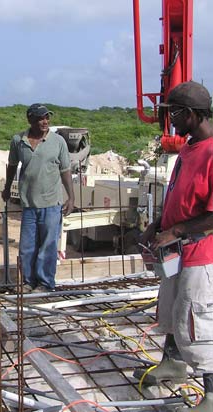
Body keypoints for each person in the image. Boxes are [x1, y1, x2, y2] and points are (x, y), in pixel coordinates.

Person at [134, 81, 213, 412]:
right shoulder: (189, 148)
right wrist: (158, 226)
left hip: (201, 254)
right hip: (177, 250)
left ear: (192, 115)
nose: (171, 121)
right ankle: (173, 363)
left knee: (197, 318)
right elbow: (178, 197)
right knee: (170, 310)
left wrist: (177, 230)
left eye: (175, 114)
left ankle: (211, 392)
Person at [2, 104, 74, 293]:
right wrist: (7, 187)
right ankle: (28, 282)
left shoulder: (58, 142)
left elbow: (65, 171)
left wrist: (71, 198)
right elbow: (11, 165)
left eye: (47, 118)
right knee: (27, 247)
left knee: (48, 247)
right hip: (28, 204)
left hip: (51, 204)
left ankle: (45, 283)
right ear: (30, 120)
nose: (45, 122)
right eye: (41, 118)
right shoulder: (18, 140)